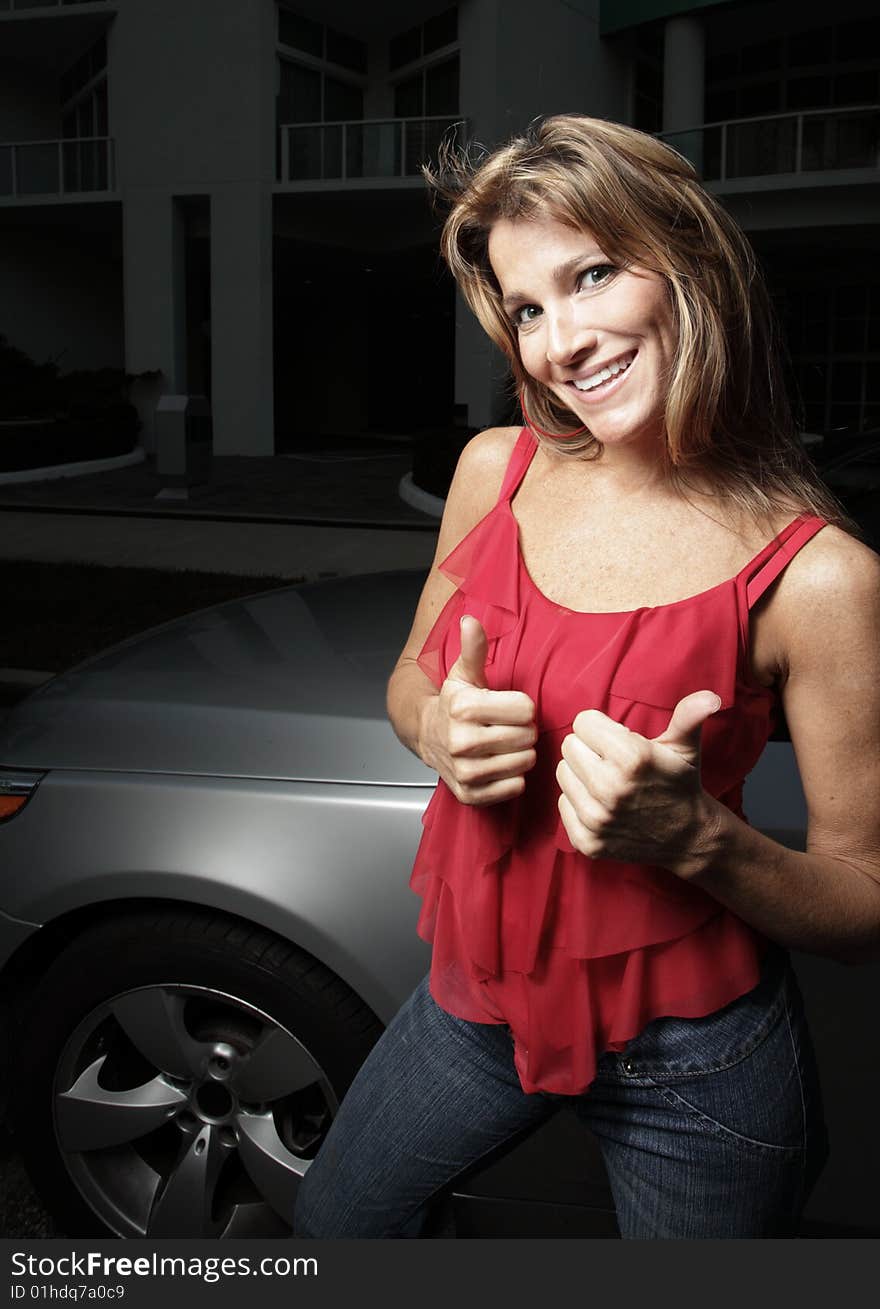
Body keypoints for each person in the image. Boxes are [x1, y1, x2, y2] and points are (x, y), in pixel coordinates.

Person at [294, 115, 880, 1239]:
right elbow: (415, 675)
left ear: (687, 263)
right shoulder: (494, 471)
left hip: (696, 1061)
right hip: (473, 1005)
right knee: (333, 1231)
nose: (560, 342)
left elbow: (863, 904)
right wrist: (436, 730)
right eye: (526, 308)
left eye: (592, 274)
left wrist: (701, 838)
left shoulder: (820, 578)